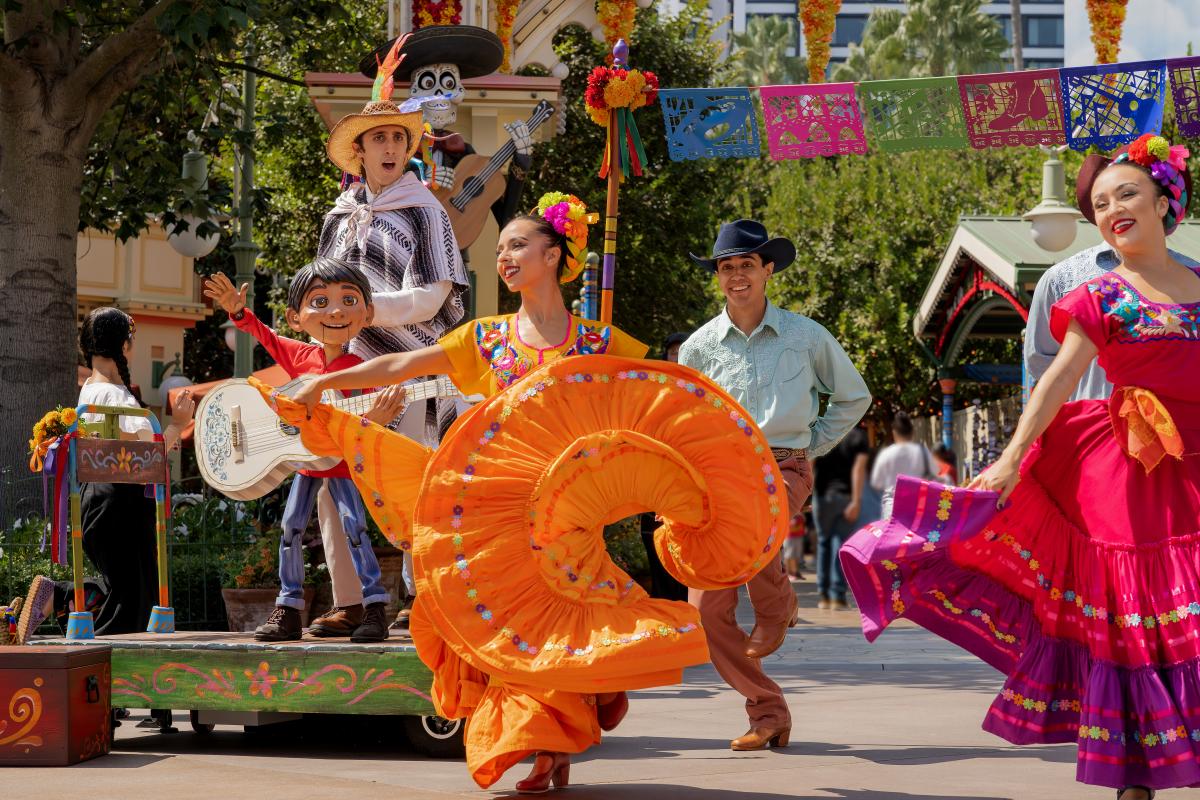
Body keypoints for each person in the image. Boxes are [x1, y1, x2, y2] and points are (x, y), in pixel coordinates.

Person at [841, 134, 1199, 800]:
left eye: (1127, 194)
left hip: (1195, 469)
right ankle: (1134, 770)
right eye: (1100, 204)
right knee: (1131, 615)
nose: (1113, 210)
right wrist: (1008, 461)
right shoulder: (1100, 296)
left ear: (1163, 202)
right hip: (1124, 472)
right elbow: (1055, 381)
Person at [287, 192, 676, 792]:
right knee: (513, 630)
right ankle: (544, 743)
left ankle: (557, 736)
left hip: (570, 519)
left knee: (561, 626)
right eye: (499, 251)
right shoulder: (487, 338)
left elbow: (662, 396)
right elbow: (401, 367)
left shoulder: (599, 343)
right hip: (501, 512)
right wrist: (322, 383)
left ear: (554, 255)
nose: (504, 258)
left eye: (518, 245)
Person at [679, 219, 871, 751]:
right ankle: (767, 710)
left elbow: (853, 396)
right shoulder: (697, 348)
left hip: (783, 467)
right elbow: (684, 422)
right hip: (718, 475)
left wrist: (812, 445)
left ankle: (774, 604)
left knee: (754, 519)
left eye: (747, 264)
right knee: (705, 611)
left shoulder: (806, 336)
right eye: (726, 267)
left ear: (767, 270)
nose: (736, 275)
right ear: (718, 276)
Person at [320, 95, 471, 635]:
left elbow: (434, 295)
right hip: (347, 366)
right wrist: (325, 325)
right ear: (358, 151)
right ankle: (349, 602)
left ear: (408, 150)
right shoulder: (338, 217)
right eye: (378, 138)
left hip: (412, 366)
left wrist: (364, 311)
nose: (390, 147)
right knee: (333, 479)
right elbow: (319, 292)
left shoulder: (426, 210)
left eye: (398, 139)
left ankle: (419, 595)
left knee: (415, 478)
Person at [203, 259, 407, 643]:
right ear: (295, 318)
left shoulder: (361, 369)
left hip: (340, 464)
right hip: (304, 462)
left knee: (355, 529)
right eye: (321, 302)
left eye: (349, 300)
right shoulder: (300, 356)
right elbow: (266, 337)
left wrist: (375, 420)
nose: (336, 312)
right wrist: (238, 311)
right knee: (290, 529)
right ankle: (288, 609)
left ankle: (374, 608)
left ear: (366, 314)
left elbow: (364, 423)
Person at [18, 308, 195, 643]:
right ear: (124, 345)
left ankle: (58, 596)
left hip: (98, 500)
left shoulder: (90, 389)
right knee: (133, 603)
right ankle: (59, 596)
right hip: (120, 503)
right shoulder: (115, 395)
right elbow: (148, 453)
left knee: (127, 594)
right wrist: (178, 424)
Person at [638, 331, 690, 601]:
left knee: (686, 548)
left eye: (683, 352)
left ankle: (687, 606)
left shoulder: (703, 390)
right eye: (673, 352)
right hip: (655, 478)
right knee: (655, 541)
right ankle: (663, 604)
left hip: (688, 482)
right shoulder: (653, 387)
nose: (677, 357)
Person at [812, 424, 871, 610]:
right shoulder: (859, 436)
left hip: (822, 497)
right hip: (845, 497)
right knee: (840, 544)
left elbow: (810, 463)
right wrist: (856, 501)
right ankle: (837, 596)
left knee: (823, 542)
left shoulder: (821, 431)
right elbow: (858, 469)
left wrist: (807, 495)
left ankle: (823, 595)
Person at [869, 412, 941, 519]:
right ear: (912, 432)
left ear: (894, 433)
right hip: (917, 509)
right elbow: (936, 472)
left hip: (892, 508)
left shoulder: (886, 453)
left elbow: (876, 482)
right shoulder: (923, 452)